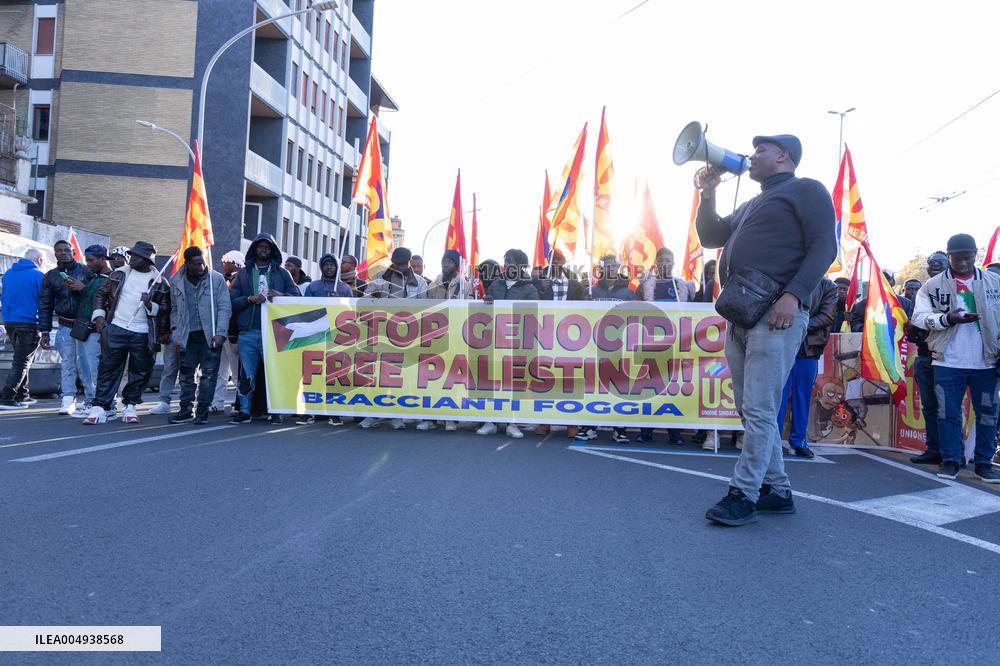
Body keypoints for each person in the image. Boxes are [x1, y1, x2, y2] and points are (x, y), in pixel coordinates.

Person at [696, 133, 837, 526]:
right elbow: (710, 237)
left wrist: (793, 296)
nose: (752, 155)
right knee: (750, 408)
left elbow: (826, 247)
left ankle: (743, 493)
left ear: (784, 156)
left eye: (761, 150)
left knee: (758, 408)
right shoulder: (752, 202)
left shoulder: (807, 190)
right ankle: (777, 489)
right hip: (744, 313)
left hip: (776, 313)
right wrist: (708, 194)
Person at [912, 233, 1000, 483]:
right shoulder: (932, 286)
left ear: (975, 256)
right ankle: (951, 460)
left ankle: (983, 463)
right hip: (947, 362)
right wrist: (946, 319)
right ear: (949, 256)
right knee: (947, 413)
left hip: (987, 362)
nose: (963, 262)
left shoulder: (995, 282)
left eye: (968, 257)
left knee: (987, 413)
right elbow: (919, 317)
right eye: (957, 258)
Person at [83, 242, 167, 425]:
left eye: (136, 256)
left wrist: (149, 305)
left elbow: (166, 311)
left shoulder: (160, 282)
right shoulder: (119, 273)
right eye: (131, 255)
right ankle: (101, 407)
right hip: (116, 327)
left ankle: (130, 405)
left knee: (140, 371)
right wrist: (99, 318)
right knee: (107, 368)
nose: (132, 258)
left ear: (147, 260)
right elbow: (101, 295)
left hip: (143, 333)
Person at [229, 233, 298, 425]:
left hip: (276, 332)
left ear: (273, 250)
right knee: (247, 374)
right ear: (254, 249)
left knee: (275, 373)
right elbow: (231, 302)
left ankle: (276, 410)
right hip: (249, 331)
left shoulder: (283, 273)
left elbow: (297, 297)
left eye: (268, 247)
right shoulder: (243, 273)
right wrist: (249, 299)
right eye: (260, 246)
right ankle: (244, 410)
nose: (264, 249)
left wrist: (280, 295)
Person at [159, 247, 231, 425]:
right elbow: (174, 308)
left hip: (211, 335)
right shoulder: (176, 280)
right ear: (188, 264)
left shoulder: (216, 279)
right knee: (186, 376)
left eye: (202, 262)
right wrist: (176, 330)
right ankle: (185, 410)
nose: (201, 266)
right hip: (186, 336)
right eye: (197, 263)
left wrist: (221, 333)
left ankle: (202, 411)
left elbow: (224, 307)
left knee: (208, 375)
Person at [359, 248, 427, 429]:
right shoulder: (380, 277)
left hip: (407, 334)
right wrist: (372, 297)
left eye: (403, 264)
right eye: (397, 264)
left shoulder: (419, 282)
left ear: (409, 263)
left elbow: (425, 309)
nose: (400, 267)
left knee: (401, 377)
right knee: (378, 376)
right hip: (382, 332)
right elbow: (366, 298)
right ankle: (374, 415)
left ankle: (397, 415)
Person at [637, 247, 695, 446]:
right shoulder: (646, 286)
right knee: (650, 387)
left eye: (668, 260)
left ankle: (674, 431)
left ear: (673, 263)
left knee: (673, 388)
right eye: (660, 260)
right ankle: (646, 430)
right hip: (651, 343)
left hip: (675, 343)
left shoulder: (682, 286)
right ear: (655, 262)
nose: (664, 263)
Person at [776, 277, 838, 460]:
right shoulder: (786, 276)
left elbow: (827, 316)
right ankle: (772, 441)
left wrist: (796, 325)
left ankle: (798, 441)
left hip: (808, 349)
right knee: (777, 396)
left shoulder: (828, 286)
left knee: (802, 397)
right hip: (781, 345)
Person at [480, 249, 539, 440]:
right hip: (495, 342)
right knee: (493, 381)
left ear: (522, 265)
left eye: (512, 261)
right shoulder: (496, 284)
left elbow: (534, 315)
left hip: (517, 343)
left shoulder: (529, 289)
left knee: (514, 383)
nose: (508, 264)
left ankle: (512, 422)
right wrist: (487, 300)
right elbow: (485, 311)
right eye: (506, 260)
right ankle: (490, 421)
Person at [573, 255, 632, 444]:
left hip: (619, 347)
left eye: (615, 266)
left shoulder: (628, 293)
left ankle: (619, 428)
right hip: (594, 346)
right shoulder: (592, 290)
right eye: (608, 266)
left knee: (618, 387)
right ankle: (589, 426)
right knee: (593, 386)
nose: (612, 269)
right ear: (602, 269)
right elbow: (580, 316)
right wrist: (586, 302)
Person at [296, 253, 352, 427]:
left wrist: (339, 302)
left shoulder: (344, 289)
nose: (329, 267)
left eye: (332, 265)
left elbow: (351, 311)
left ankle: (334, 412)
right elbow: (305, 310)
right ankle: (309, 411)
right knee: (312, 375)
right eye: (326, 264)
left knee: (333, 375)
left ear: (336, 267)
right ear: (321, 267)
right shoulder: (313, 287)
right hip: (315, 336)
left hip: (337, 337)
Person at [38, 239, 93, 415]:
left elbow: (98, 295)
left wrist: (83, 288)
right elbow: (45, 304)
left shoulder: (87, 271)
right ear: (55, 254)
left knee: (86, 364)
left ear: (73, 252)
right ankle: (68, 399)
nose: (63, 252)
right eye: (59, 250)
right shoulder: (50, 276)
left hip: (86, 326)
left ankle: (91, 399)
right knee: (67, 363)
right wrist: (44, 331)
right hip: (65, 326)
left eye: (66, 250)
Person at [420, 249, 473, 432]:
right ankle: (431, 419)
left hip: (456, 336)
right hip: (435, 336)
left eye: (450, 261)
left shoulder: (465, 285)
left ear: (456, 264)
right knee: (432, 378)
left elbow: (471, 308)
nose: (446, 264)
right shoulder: (434, 284)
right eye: (444, 261)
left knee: (452, 379)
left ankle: (451, 418)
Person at [907, 253, 948, 464]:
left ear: (948, 265)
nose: (935, 267)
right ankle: (933, 449)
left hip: (948, 359)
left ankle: (952, 454)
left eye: (939, 264)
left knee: (948, 408)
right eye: (931, 265)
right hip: (924, 356)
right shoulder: (921, 294)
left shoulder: (956, 291)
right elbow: (914, 326)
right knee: (929, 406)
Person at [70, 245, 113, 416]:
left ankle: (101, 403)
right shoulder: (94, 278)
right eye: (86, 260)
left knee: (96, 369)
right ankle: (90, 400)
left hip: (97, 331)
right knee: (84, 367)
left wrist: (83, 288)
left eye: (91, 260)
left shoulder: (112, 278)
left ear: (103, 259)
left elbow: (106, 302)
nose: (87, 264)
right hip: (83, 329)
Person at [0, 248, 45, 409]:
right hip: (29, 322)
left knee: (21, 359)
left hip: (10, 321)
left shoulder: (8, 274)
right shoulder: (38, 276)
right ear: (39, 260)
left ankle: (22, 394)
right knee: (22, 361)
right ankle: (8, 397)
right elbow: (44, 300)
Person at [211, 249, 245, 413]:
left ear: (235, 263)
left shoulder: (241, 280)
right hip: (220, 331)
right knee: (220, 370)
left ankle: (240, 402)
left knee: (236, 371)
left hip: (233, 331)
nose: (224, 264)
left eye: (227, 262)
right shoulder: (221, 280)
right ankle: (218, 401)